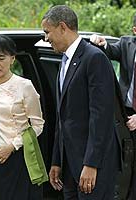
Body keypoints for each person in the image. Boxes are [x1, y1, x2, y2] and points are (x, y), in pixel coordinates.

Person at [41, 5, 120, 200]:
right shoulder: (65, 60)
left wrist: (92, 164)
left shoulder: (94, 58)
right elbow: (64, 117)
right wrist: (57, 161)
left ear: (62, 27)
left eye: (47, 32)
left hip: (92, 167)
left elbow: (101, 117)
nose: (46, 38)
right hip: (70, 167)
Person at [0, 35, 48, 200]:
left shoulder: (24, 86)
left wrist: (12, 146)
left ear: (12, 59)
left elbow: (38, 125)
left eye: (1, 58)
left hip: (18, 156)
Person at [90, 13, 136, 200]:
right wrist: (101, 42)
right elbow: (110, 51)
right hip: (126, 113)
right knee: (125, 164)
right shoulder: (127, 44)